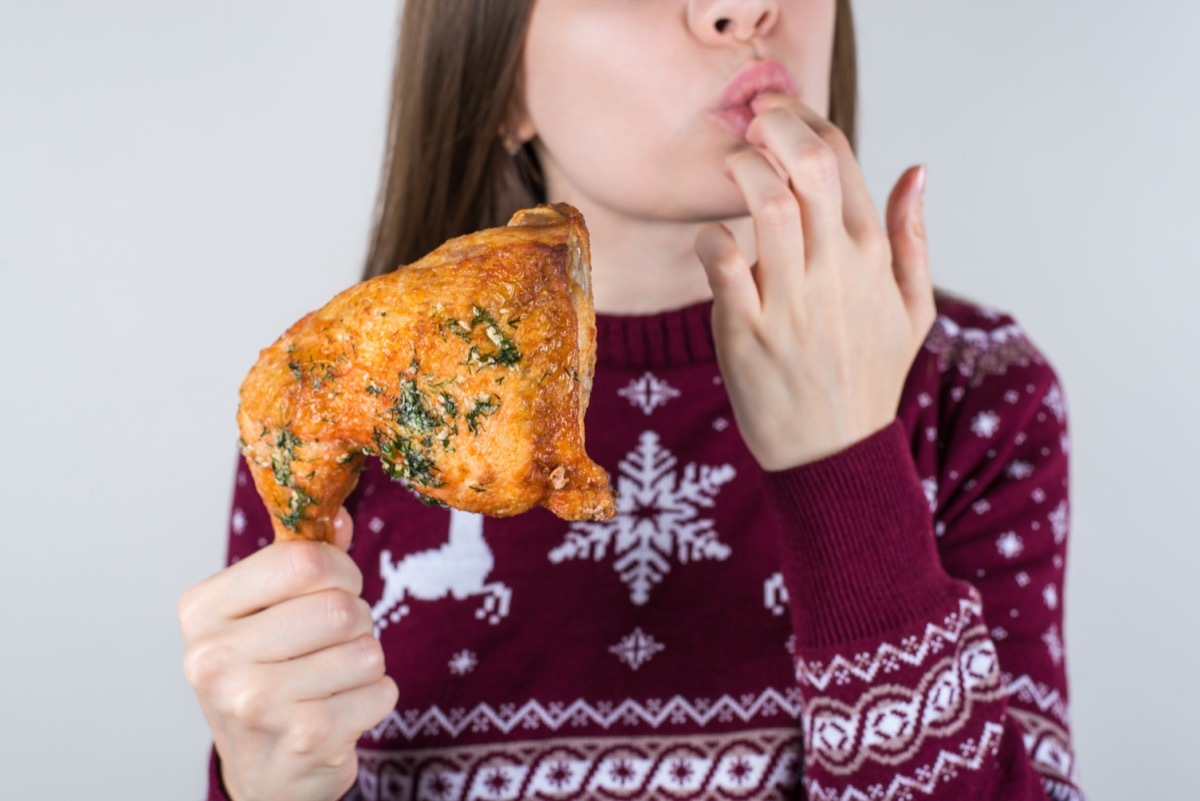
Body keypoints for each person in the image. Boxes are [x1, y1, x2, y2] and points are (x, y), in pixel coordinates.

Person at [179, 1, 1084, 799]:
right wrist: (266, 788)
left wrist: (846, 469)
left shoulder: (976, 397)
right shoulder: (347, 421)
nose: (743, 8)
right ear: (496, 74)